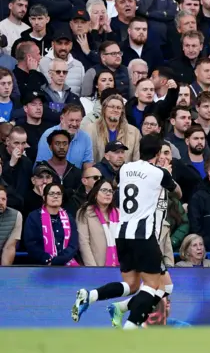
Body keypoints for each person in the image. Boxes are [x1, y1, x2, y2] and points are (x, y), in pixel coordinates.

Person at [71, 134, 182, 329]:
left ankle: (92, 296)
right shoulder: (159, 173)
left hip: (122, 233)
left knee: (131, 285)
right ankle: (130, 327)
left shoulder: (125, 169)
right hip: (144, 235)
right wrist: (166, 174)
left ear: (139, 150)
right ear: (157, 153)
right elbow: (178, 193)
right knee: (153, 286)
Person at [23, 182, 79, 266]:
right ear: (44, 197)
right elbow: (31, 243)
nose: (55, 196)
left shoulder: (69, 218)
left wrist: (59, 260)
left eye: (58, 194)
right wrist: (47, 259)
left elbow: (73, 244)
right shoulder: (34, 217)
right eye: (51, 194)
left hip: (66, 265)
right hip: (41, 265)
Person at [76, 179, 119, 267]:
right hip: (96, 265)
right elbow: (83, 242)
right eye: (104, 190)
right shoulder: (85, 212)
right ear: (95, 194)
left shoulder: (118, 213)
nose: (108, 193)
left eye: (111, 191)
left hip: (118, 267)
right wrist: (93, 268)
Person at [0, 185, 22, 266]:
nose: (1, 202)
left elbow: (9, 247)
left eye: (3, 199)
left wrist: (4, 273)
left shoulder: (15, 216)